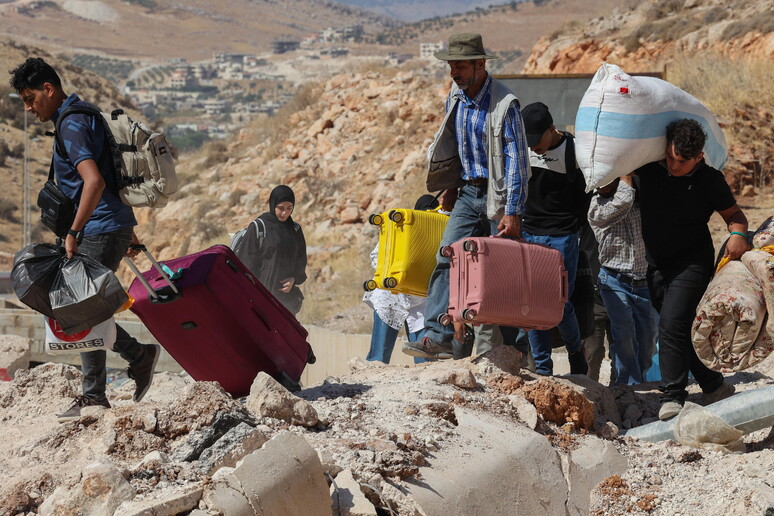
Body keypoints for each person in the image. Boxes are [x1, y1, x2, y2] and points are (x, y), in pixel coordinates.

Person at [10, 57, 160, 422]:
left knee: (79, 305)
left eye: (31, 99)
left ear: (49, 89)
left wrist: (74, 232)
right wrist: (126, 229)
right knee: (87, 306)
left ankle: (97, 392)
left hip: (96, 228)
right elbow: (113, 174)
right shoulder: (84, 114)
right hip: (109, 224)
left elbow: (94, 181)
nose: (29, 108)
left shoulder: (72, 123)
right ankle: (135, 358)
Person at [401, 33, 529, 360]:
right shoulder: (455, 96)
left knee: (497, 272)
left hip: (496, 198)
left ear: (480, 64)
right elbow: (457, 148)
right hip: (468, 192)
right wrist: (450, 187)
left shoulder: (504, 104)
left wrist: (511, 211)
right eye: (451, 65)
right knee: (447, 256)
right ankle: (438, 335)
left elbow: (516, 161)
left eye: (460, 65)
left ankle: (513, 347)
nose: (454, 72)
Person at [634, 118, 748, 420]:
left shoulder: (710, 180)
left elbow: (734, 214)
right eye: (670, 157)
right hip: (657, 265)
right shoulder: (647, 169)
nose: (674, 165)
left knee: (671, 325)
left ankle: (673, 397)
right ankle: (713, 385)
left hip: (692, 262)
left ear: (698, 156)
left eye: (682, 161)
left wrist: (738, 234)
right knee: (681, 328)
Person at [519, 102, 590, 376]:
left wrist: (574, 227)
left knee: (561, 300)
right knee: (531, 303)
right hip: (529, 234)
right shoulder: (524, 151)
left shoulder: (574, 152)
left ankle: (575, 353)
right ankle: (542, 368)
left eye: (538, 141)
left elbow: (586, 195)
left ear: (552, 129)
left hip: (563, 237)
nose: (535, 147)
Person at [588, 175, 658, 385]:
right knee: (624, 336)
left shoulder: (644, 201)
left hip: (645, 282)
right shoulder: (597, 206)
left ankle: (638, 381)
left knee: (647, 343)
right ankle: (626, 387)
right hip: (614, 280)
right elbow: (623, 201)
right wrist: (626, 177)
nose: (603, 184)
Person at [364, 195, 438, 365]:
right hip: (391, 297)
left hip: (422, 302)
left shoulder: (438, 232)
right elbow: (377, 257)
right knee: (378, 359)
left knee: (424, 359)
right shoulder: (402, 230)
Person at [234, 185, 307, 315]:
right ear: (273, 205)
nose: (285, 213)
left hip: (285, 302)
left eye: (289, 208)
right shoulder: (258, 227)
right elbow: (244, 265)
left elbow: (300, 262)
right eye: (281, 208)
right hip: (259, 300)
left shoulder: (295, 230)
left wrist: (294, 279)